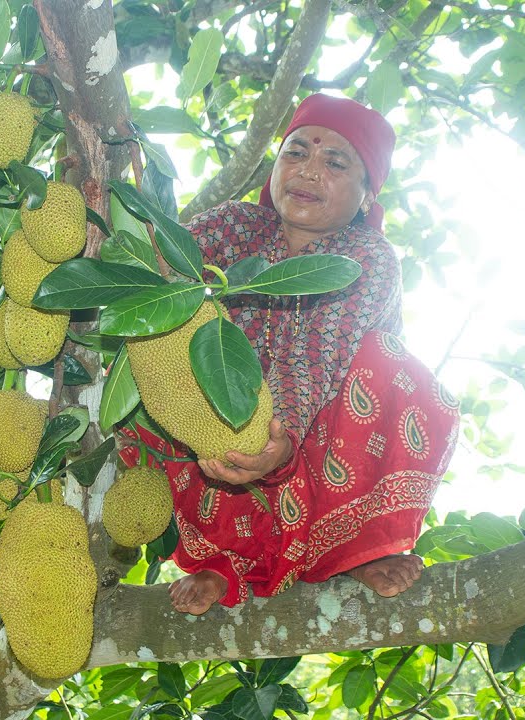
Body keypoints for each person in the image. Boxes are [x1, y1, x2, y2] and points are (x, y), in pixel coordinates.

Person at [123, 94, 460, 615]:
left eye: (335, 162)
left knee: (398, 368)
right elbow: (157, 265)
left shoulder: (367, 257)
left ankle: (357, 549)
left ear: (367, 194)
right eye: (296, 153)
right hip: (222, 436)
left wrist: (279, 441)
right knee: (152, 345)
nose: (308, 171)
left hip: (322, 442)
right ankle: (221, 558)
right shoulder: (235, 226)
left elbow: (318, 351)